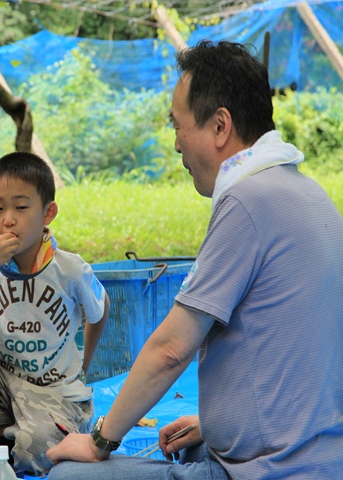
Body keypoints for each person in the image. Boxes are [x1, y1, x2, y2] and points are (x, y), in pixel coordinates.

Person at [46, 39, 343, 479]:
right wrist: (213, 424)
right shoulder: (310, 194)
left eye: (178, 125)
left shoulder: (248, 201)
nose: (176, 144)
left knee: (68, 474)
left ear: (220, 126)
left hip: (270, 469)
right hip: (320, 456)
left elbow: (171, 349)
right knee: (184, 448)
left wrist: (98, 441)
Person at [0, 151, 110, 475]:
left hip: (53, 393)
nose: (9, 219)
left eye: (21, 207)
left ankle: (11, 441)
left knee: (42, 447)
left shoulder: (69, 269)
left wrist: (83, 365)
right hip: (3, 384)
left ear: (48, 212)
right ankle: (5, 435)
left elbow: (100, 308)